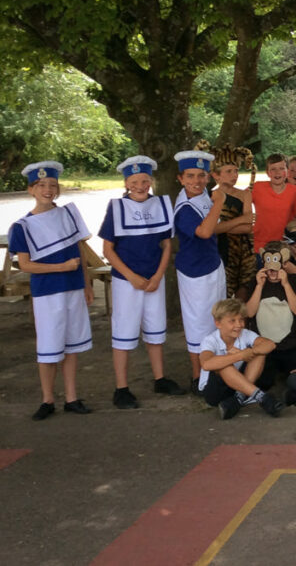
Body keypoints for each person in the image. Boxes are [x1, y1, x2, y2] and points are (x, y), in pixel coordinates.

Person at [10, 161, 94, 420]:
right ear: (31, 189)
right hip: (47, 292)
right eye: (42, 185)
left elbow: (81, 250)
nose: (48, 189)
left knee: (71, 346)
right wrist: (61, 267)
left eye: (53, 185)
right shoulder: (22, 226)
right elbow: (24, 264)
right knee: (48, 347)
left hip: (74, 288)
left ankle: (71, 397)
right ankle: (47, 399)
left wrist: (87, 282)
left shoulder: (68, 215)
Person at [100, 155, 183, 409]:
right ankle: (121, 388)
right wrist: (131, 276)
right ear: (127, 183)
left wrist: (158, 275)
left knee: (155, 331)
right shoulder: (116, 207)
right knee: (124, 333)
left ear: (151, 181)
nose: (140, 185)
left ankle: (160, 378)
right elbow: (108, 250)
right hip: (128, 282)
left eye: (145, 180)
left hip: (153, 280)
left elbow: (167, 244)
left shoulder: (160, 204)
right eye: (135, 181)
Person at [173, 149, 228, 391]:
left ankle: (216, 369)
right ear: (180, 178)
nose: (197, 181)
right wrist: (220, 202)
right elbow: (205, 231)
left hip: (212, 263)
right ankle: (198, 376)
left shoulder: (204, 193)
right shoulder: (184, 206)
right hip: (194, 271)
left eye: (201, 175)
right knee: (198, 323)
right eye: (191, 176)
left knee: (217, 318)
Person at [198, 298, 284, 420]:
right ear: (218, 323)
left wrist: (249, 352)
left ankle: (239, 398)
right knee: (223, 364)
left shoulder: (245, 333)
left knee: (259, 353)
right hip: (214, 391)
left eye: (241, 319)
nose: (239, 325)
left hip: (238, 385)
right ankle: (262, 397)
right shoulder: (210, 340)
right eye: (232, 321)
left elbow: (270, 345)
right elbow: (206, 364)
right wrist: (239, 356)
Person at [244, 242, 296, 385]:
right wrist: (259, 286)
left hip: (289, 344)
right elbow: (249, 312)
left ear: (284, 263)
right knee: (263, 382)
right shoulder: (256, 281)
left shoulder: (294, 280)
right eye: (268, 262)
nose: (272, 270)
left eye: (277, 263)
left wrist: (286, 284)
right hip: (264, 345)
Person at [209, 143, 256, 299]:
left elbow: (248, 228)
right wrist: (241, 219)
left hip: (245, 252)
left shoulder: (244, 194)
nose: (234, 175)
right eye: (228, 171)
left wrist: (222, 227)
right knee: (224, 293)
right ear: (216, 175)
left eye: (236, 171)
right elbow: (212, 229)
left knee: (244, 292)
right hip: (221, 250)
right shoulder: (212, 196)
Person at [251, 153, 296, 252]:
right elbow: (240, 199)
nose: (277, 172)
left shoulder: (294, 191)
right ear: (267, 172)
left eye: (281, 168)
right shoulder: (257, 187)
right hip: (260, 245)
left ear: (287, 172)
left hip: (285, 245)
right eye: (273, 169)